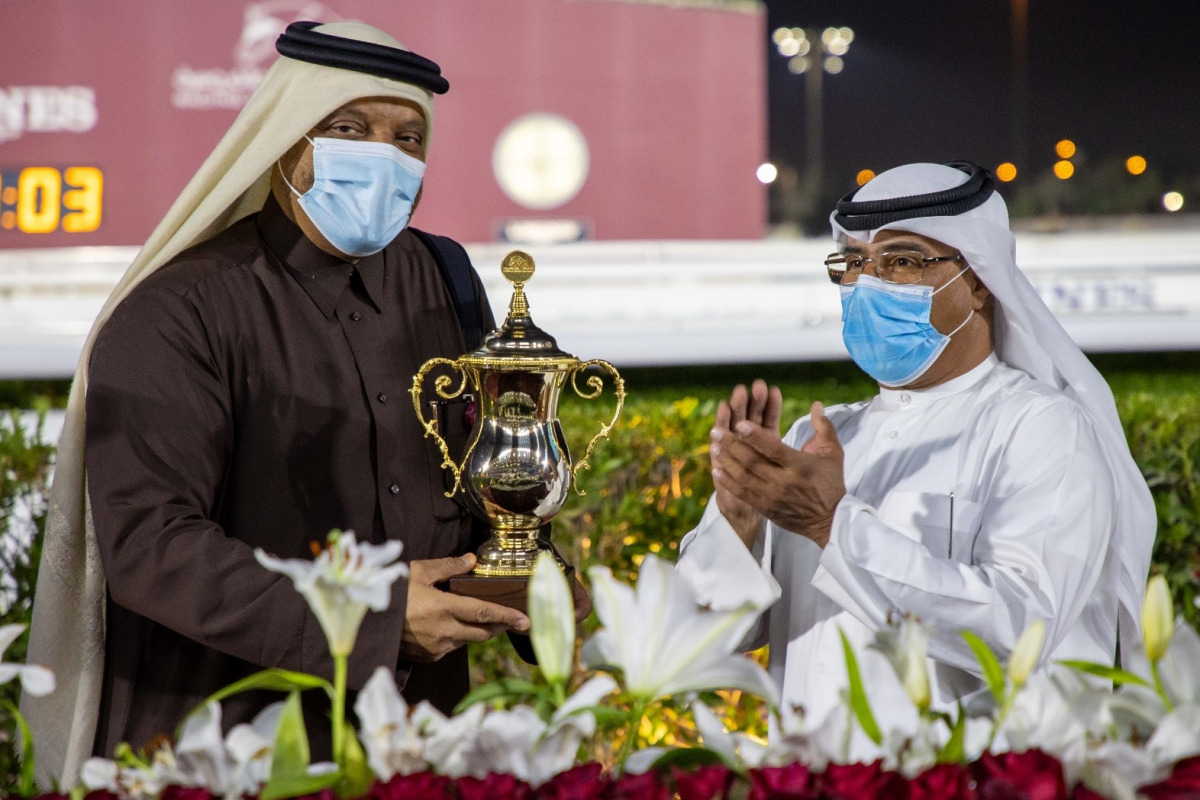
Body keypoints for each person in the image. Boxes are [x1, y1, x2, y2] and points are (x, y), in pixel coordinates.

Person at [23, 20, 565, 787]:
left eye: (408, 139)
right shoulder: (180, 309)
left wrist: (530, 580)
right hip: (228, 740)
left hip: (419, 745)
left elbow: (490, 474)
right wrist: (369, 622)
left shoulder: (445, 281)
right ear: (285, 141)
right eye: (350, 128)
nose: (384, 155)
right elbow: (152, 548)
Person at [677, 161, 1156, 736]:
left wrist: (834, 526)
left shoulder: (1043, 428)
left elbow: (1021, 628)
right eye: (854, 263)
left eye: (900, 262)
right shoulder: (815, 440)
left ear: (978, 279)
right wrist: (736, 522)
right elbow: (696, 650)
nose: (868, 285)